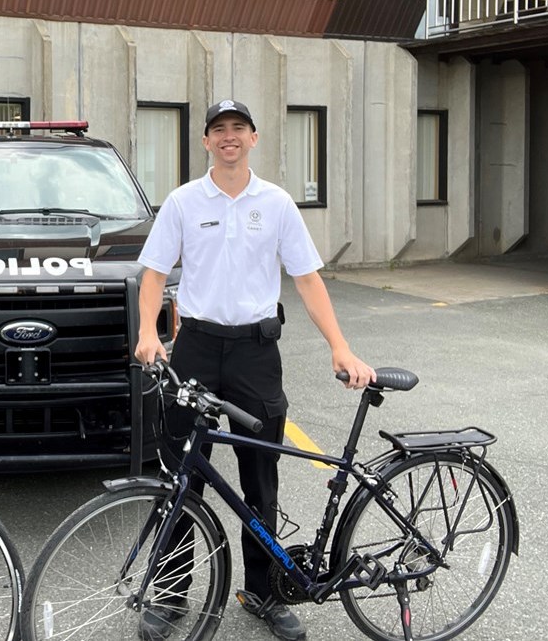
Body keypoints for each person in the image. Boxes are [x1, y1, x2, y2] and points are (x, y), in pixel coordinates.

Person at [134, 100, 375, 641]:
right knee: (182, 477)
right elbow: (153, 273)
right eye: (218, 130)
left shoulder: (278, 204)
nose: (228, 138)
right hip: (193, 350)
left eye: (237, 129)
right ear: (205, 142)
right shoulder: (183, 202)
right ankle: (172, 595)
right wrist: (149, 331)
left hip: (255, 355)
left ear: (254, 138)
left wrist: (340, 345)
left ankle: (263, 592)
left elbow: (308, 278)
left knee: (259, 478)